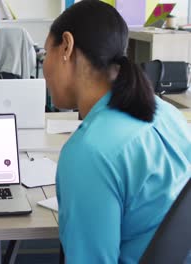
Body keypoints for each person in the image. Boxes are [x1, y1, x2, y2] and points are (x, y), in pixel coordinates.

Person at [42, 1, 191, 263]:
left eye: (46, 55)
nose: (44, 70)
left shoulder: (88, 153)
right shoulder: (167, 114)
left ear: (67, 46)